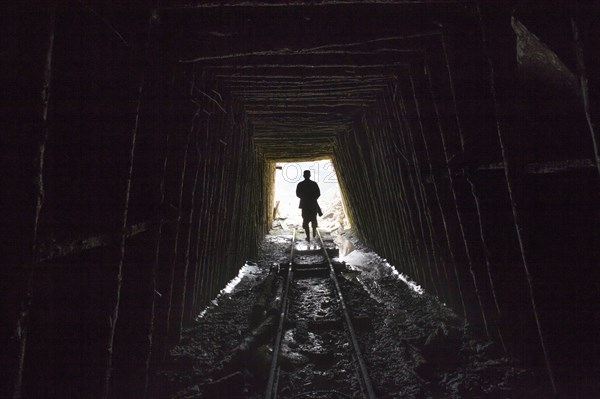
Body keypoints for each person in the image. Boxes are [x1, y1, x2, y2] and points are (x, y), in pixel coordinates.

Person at [296, 170, 321, 241]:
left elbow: (298, 194)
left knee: (305, 220)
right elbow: (318, 193)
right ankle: (314, 233)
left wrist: (305, 198)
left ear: (303, 175)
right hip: (313, 204)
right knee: (313, 218)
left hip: (304, 205)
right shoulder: (314, 184)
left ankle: (308, 237)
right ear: (310, 175)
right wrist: (313, 198)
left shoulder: (300, 184)